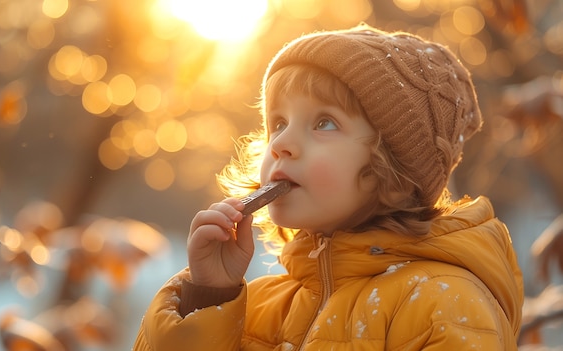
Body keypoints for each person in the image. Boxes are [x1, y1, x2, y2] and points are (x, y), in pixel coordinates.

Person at [132, 24, 524, 350]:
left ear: (392, 168)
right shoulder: (257, 308)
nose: (280, 143)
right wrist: (208, 297)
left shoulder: (442, 303)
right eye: (278, 123)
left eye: (324, 123)